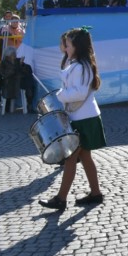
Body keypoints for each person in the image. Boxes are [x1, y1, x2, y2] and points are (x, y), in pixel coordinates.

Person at [38, 27, 106, 210]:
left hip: (83, 118)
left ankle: (61, 198)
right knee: (85, 157)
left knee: (71, 158)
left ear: (77, 46)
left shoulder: (80, 67)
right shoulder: (79, 65)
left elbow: (79, 93)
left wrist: (61, 95)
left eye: (67, 45)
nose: (65, 49)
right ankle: (96, 193)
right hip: (83, 116)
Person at [0, 46, 21, 114]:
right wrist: (13, 66)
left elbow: (21, 72)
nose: (14, 56)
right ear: (8, 55)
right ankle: (7, 108)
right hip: (7, 82)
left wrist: (21, 65)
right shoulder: (3, 63)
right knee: (9, 85)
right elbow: (5, 74)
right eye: (13, 54)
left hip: (16, 82)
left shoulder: (17, 62)